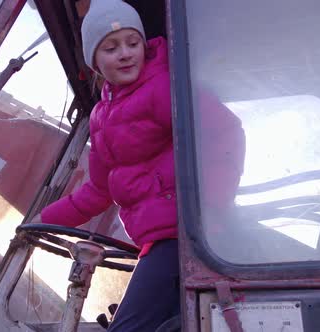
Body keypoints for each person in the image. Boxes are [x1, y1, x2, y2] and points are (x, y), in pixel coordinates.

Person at [31, 0, 245, 330]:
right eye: (111, 47)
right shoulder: (101, 118)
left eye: (133, 43)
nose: (126, 53)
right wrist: (44, 219)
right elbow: (99, 191)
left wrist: (210, 207)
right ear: (94, 62)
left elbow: (225, 131)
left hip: (185, 236)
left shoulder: (163, 87)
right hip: (157, 240)